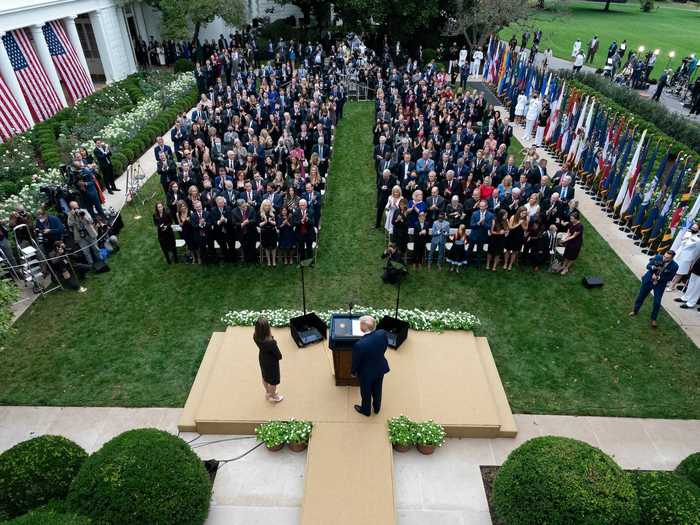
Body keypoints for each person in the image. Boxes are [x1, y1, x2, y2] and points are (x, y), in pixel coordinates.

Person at [351, 315, 390, 417]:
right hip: (380, 368)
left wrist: (353, 372)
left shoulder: (359, 345)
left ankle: (365, 410)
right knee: (378, 389)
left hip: (366, 373)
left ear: (364, 326)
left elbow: (356, 362)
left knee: (366, 392)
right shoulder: (382, 334)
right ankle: (377, 408)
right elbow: (385, 346)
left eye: (360, 324)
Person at [629, 250, 679, 328]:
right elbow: (648, 266)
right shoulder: (658, 257)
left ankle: (653, 319)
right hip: (648, 280)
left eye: (667, 258)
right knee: (641, 296)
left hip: (659, 285)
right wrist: (653, 267)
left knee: (657, 302)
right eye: (664, 256)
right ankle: (635, 310)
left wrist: (658, 278)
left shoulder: (675, 266)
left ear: (672, 258)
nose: (664, 258)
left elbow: (670, 278)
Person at [253, 316, 283, 403]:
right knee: (273, 381)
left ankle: (267, 391)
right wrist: (272, 338)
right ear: (267, 329)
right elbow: (279, 355)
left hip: (262, 358)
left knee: (265, 376)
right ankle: (273, 395)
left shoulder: (255, 336)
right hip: (271, 362)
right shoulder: (271, 342)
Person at [560, 210, 583, 275]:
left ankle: (566, 268)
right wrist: (565, 237)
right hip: (570, 241)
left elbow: (573, 236)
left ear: (576, 219)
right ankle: (563, 266)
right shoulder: (571, 223)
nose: (570, 219)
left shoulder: (579, 226)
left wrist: (565, 240)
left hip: (576, 243)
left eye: (572, 218)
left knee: (572, 256)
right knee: (567, 254)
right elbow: (568, 231)